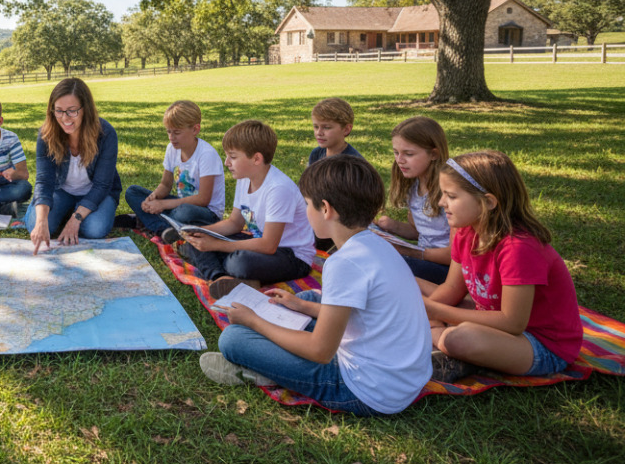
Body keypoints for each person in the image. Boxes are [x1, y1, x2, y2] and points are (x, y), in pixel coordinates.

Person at [201, 155, 432, 416]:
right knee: (307, 299)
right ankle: (274, 358)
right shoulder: (378, 244)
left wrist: (254, 322)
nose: (305, 211)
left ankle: (266, 371)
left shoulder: (343, 263)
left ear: (326, 209)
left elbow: (320, 351)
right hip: (404, 379)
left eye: (307, 204)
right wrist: (301, 306)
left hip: (365, 390)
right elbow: (362, 314)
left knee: (233, 339)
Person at [423, 151, 581, 382]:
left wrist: (435, 313)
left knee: (460, 339)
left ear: (488, 202)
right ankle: (445, 345)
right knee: (411, 286)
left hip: (540, 345)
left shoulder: (519, 248)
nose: (441, 202)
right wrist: (422, 310)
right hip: (491, 322)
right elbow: (452, 288)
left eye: (451, 196)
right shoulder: (466, 233)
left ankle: (439, 340)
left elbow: (512, 322)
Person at [180, 120, 316, 297]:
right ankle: (220, 278)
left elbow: (268, 245)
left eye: (233, 157)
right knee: (199, 241)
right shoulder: (245, 178)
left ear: (256, 159)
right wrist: (201, 231)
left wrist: (216, 245)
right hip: (259, 242)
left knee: (239, 262)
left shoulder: (278, 188)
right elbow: (234, 223)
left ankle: (223, 270)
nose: (226, 162)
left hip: (291, 257)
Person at [26, 77, 122, 254]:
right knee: (35, 223)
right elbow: (44, 181)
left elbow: (102, 185)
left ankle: (76, 212)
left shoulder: (106, 133)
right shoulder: (46, 134)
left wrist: (75, 219)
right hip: (62, 190)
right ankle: (63, 211)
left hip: (97, 193)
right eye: (59, 111)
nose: (65, 118)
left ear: (85, 109)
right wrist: (41, 221)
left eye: (72, 111)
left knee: (95, 229)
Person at [123, 100, 226, 238]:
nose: (171, 137)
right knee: (133, 192)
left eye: (177, 132)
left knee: (183, 212)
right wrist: (154, 197)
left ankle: (153, 223)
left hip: (206, 213)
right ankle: (165, 228)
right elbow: (165, 185)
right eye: (168, 132)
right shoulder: (172, 149)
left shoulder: (207, 154)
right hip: (180, 204)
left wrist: (163, 204)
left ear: (195, 129)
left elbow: (203, 199)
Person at [374, 116, 452, 284]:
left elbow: (456, 255)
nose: (399, 160)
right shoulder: (414, 187)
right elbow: (421, 232)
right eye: (396, 152)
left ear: (434, 154)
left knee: (384, 262)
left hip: (448, 269)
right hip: (425, 259)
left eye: (408, 154)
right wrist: (392, 226)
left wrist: (410, 252)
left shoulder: (450, 194)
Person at [306, 98, 363, 165]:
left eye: (326, 127)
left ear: (346, 129)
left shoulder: (354, 164)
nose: (319, 133)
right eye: (316, 127)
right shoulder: (316, 154)